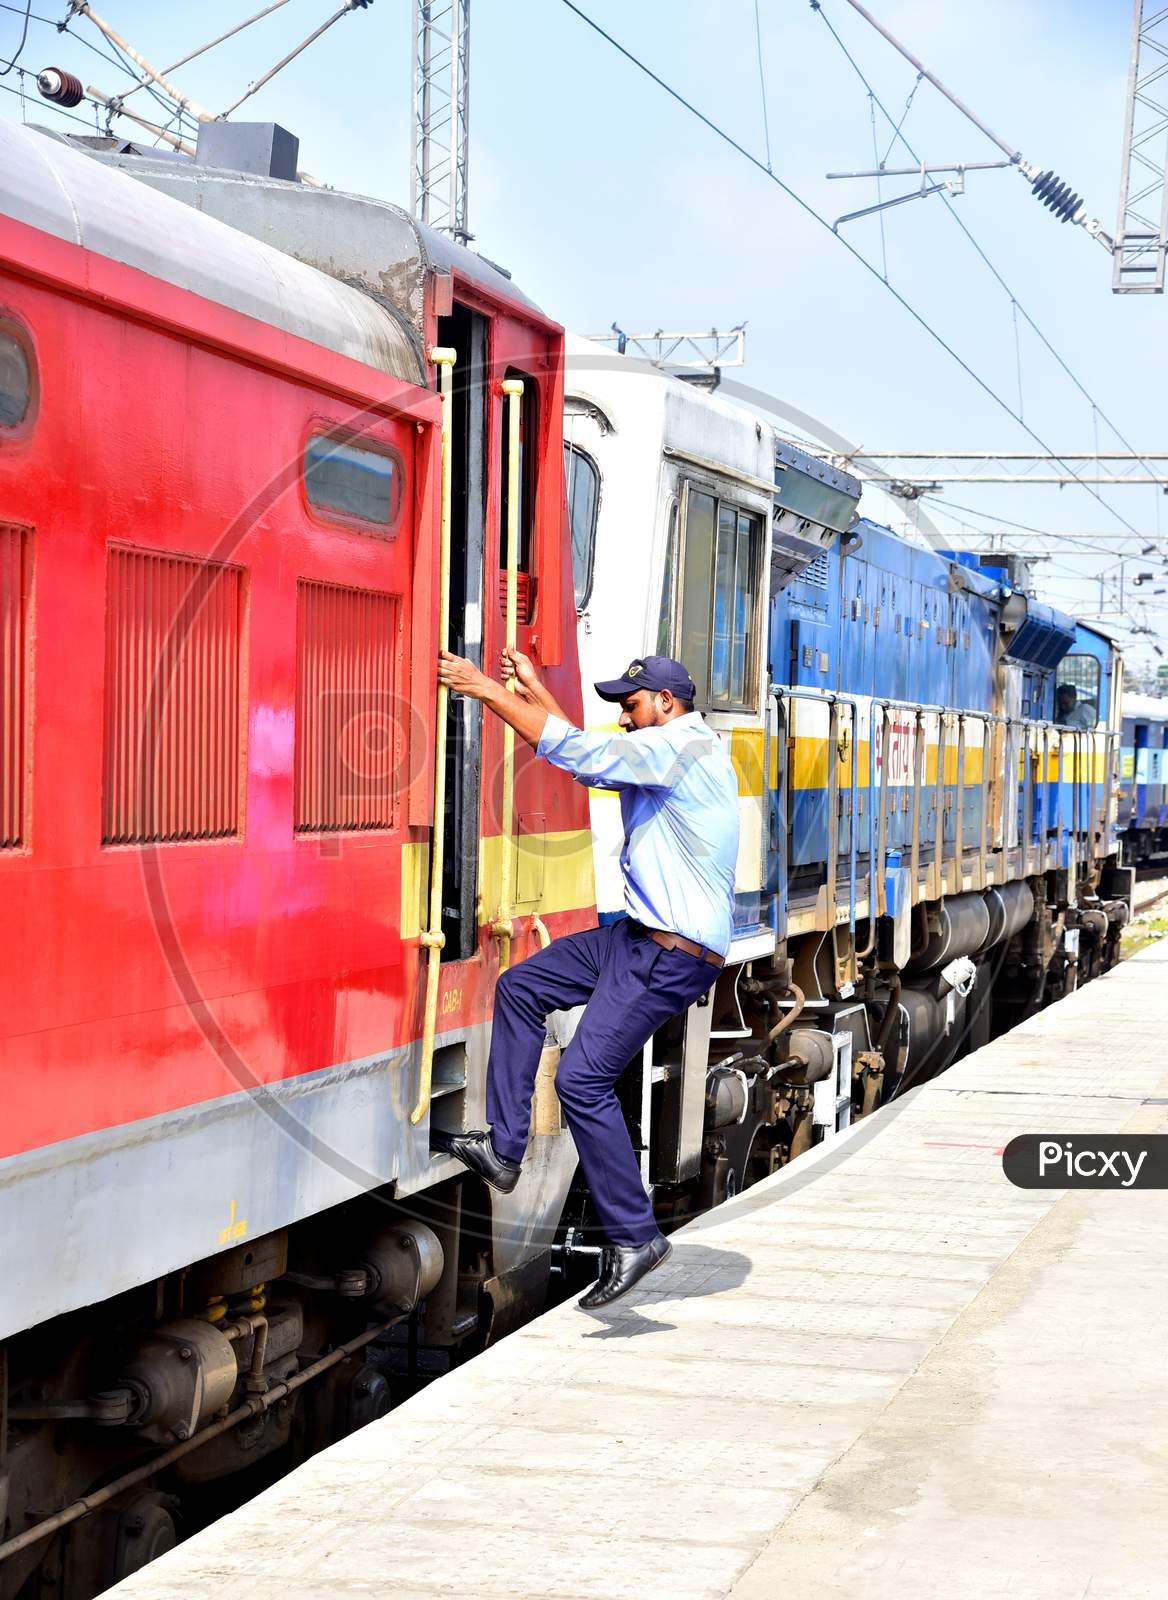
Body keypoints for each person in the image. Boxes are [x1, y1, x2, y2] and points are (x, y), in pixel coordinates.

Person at [432, 647, 740, 1308]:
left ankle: (636, 1238)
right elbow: (574, 746)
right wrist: (537, 689)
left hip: (670, 954)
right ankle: (505, 1151)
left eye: (630, 706)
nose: (624, 719)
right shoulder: (664, 744)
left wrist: (485, 689)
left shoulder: (680, 751)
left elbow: (582, 754)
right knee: (521, 988)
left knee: (581, 1079)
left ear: (666, 702)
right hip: (634, 938)